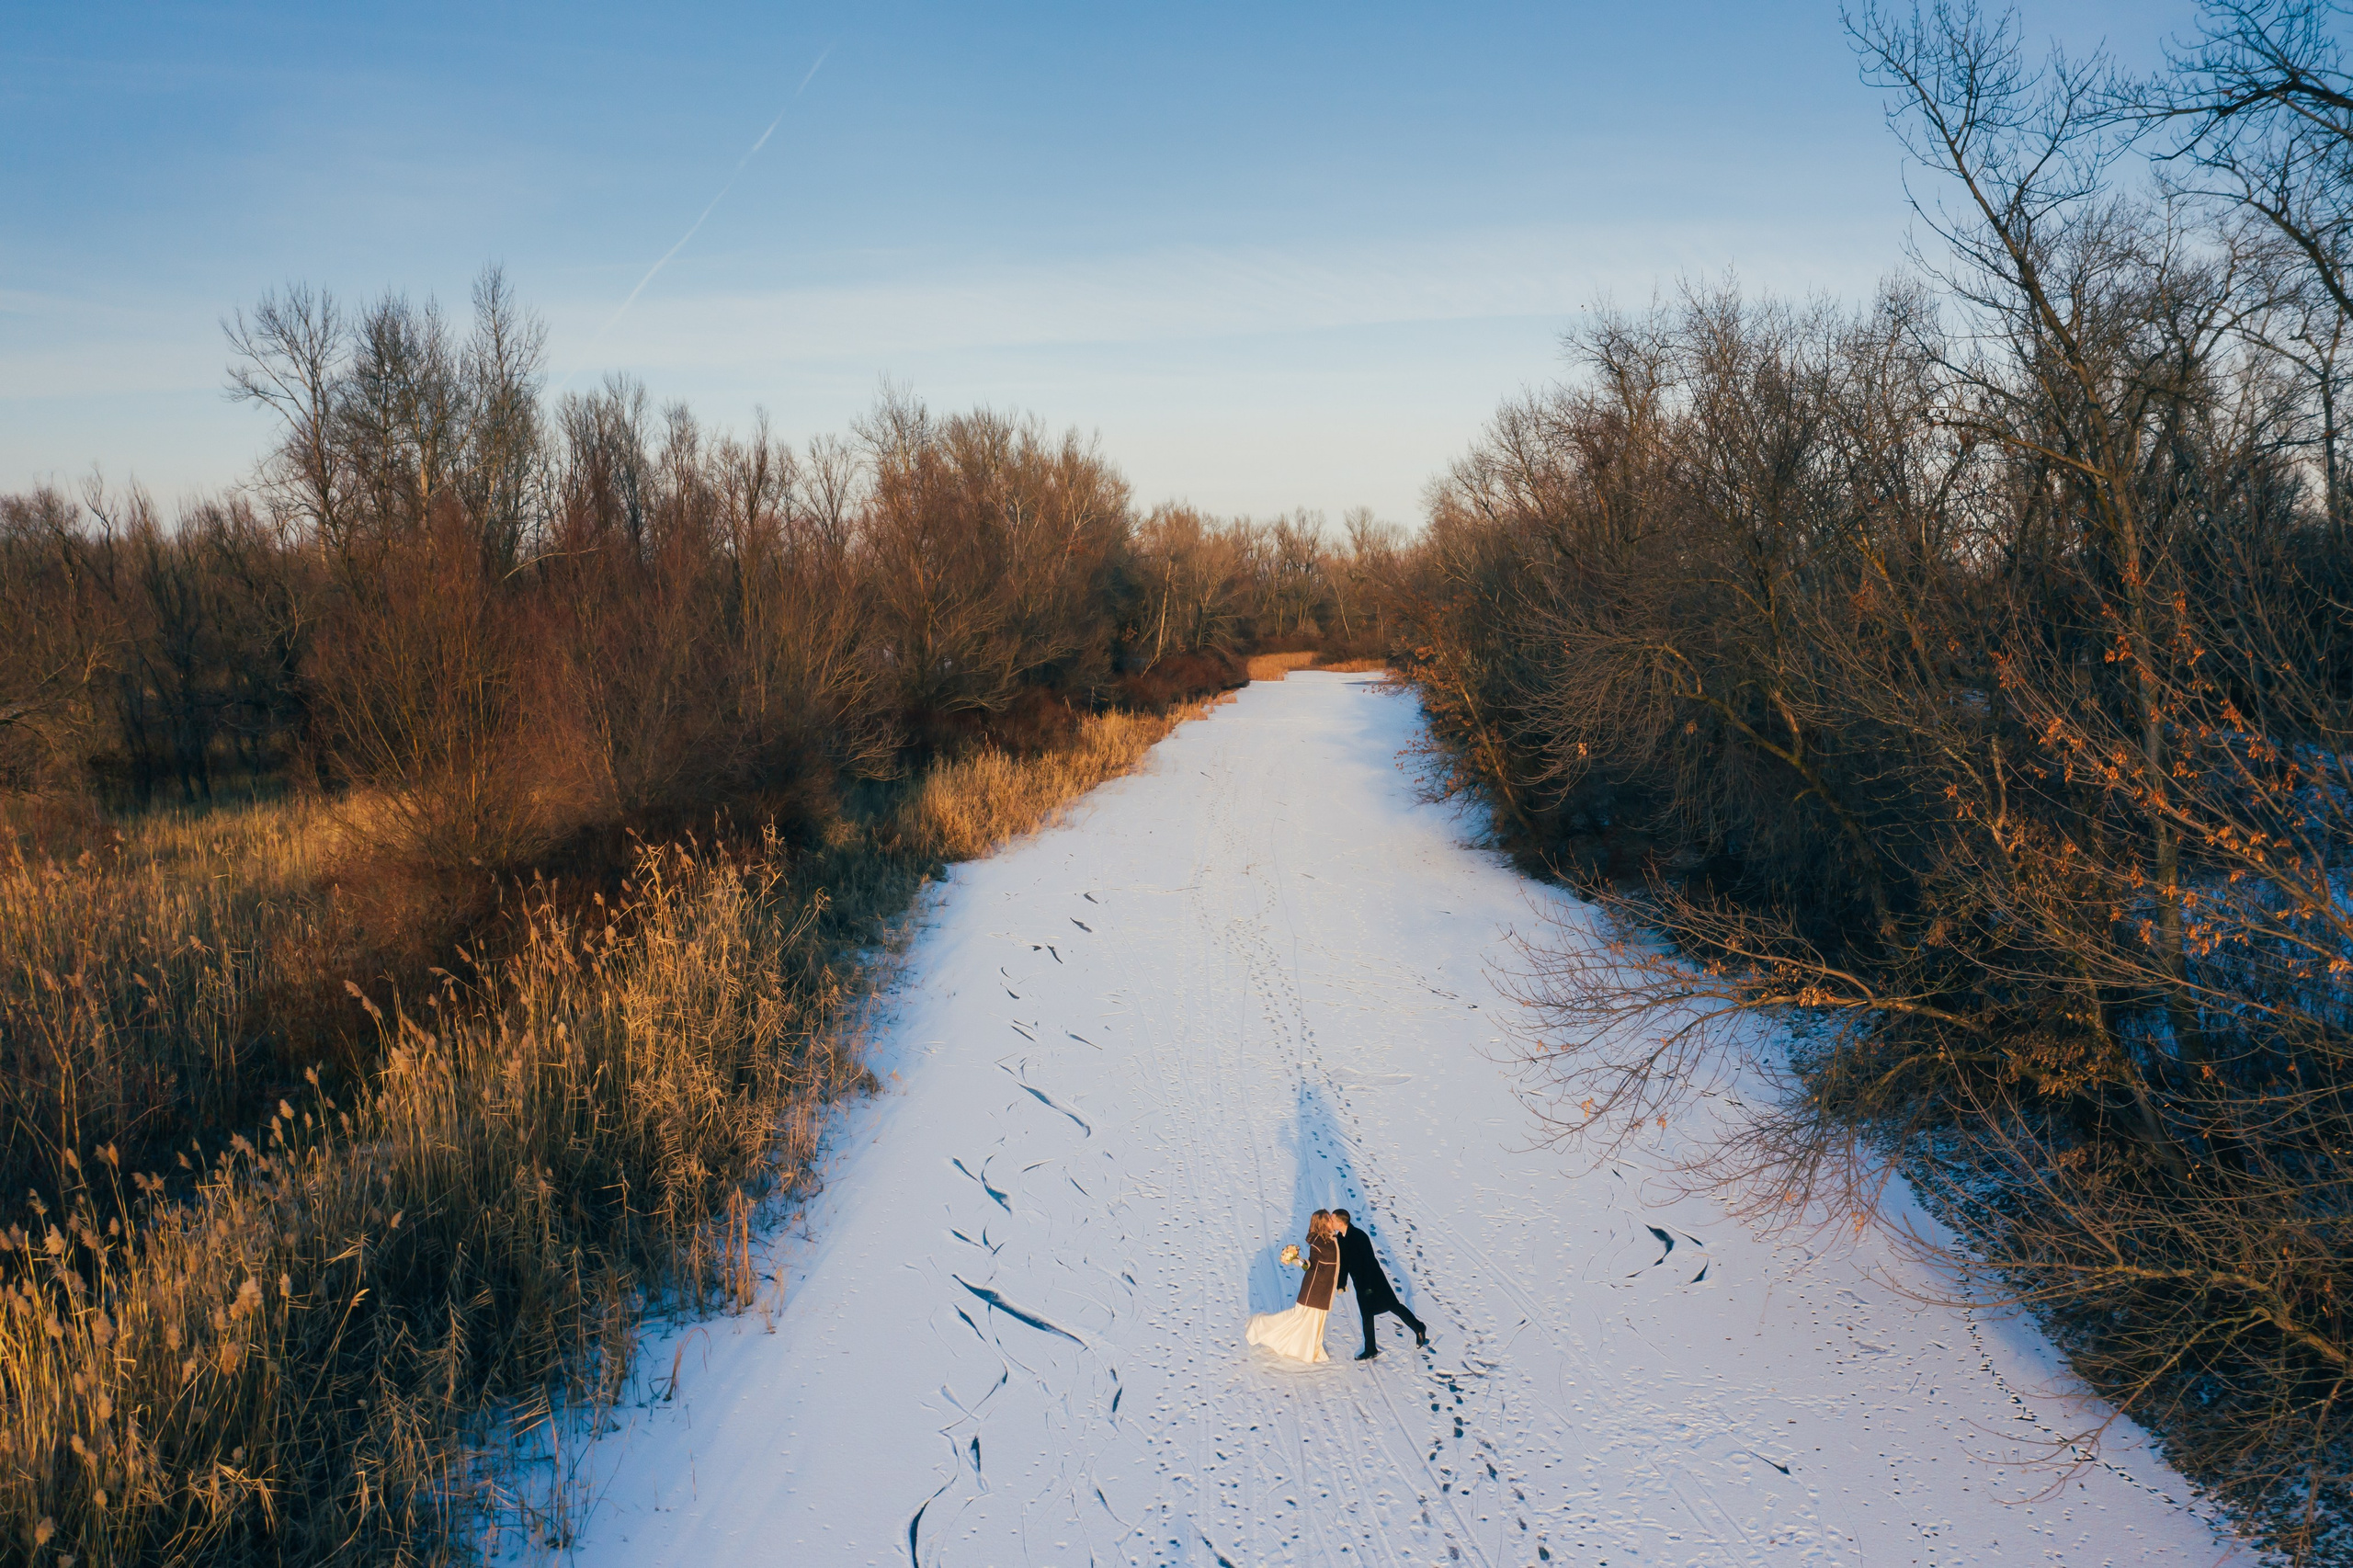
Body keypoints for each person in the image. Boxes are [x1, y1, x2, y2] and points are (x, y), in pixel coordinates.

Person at [1246, 1210, 1342, 1363]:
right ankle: (1260, 1325)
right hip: (1315, 1288)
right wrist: (1296, 1260)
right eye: (1329, 1220)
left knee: (1315, 1320)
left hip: (1325, 1287)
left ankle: (1312, 1350)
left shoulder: (1332, 1238)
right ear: (1323, 1223)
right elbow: (1309, 1265)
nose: (1332, 1221)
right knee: (1299, 1317)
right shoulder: (1317, 1242)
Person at [1334, 1208, 1427, 1359]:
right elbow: (1344, 1262)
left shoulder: (1359, 1236)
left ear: (1340, 1221)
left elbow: (1370, 1261)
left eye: (1332, 1219)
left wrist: (1369, 1286)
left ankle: (1419, 1327)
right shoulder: (1340, 1238)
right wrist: (1341, 1283)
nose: (1330, 1222)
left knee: (1393, 1306)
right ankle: (1370, 1349)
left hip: (1374, 1280)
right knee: (1366, 1314)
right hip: (1360, 1282)